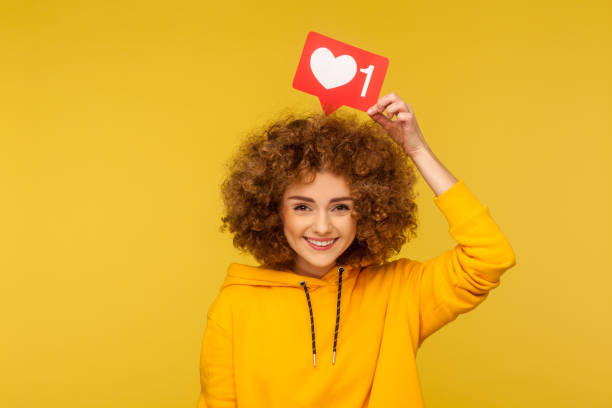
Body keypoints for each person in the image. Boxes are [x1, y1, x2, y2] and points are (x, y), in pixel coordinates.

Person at [197, 92, 516, 407]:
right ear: (273, 210)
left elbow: (490, 256)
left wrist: (416, 150)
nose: (322, 227)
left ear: (367, 209)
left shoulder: (399, 292)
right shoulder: (235, 305)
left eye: (340, 207)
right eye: (303, 207)